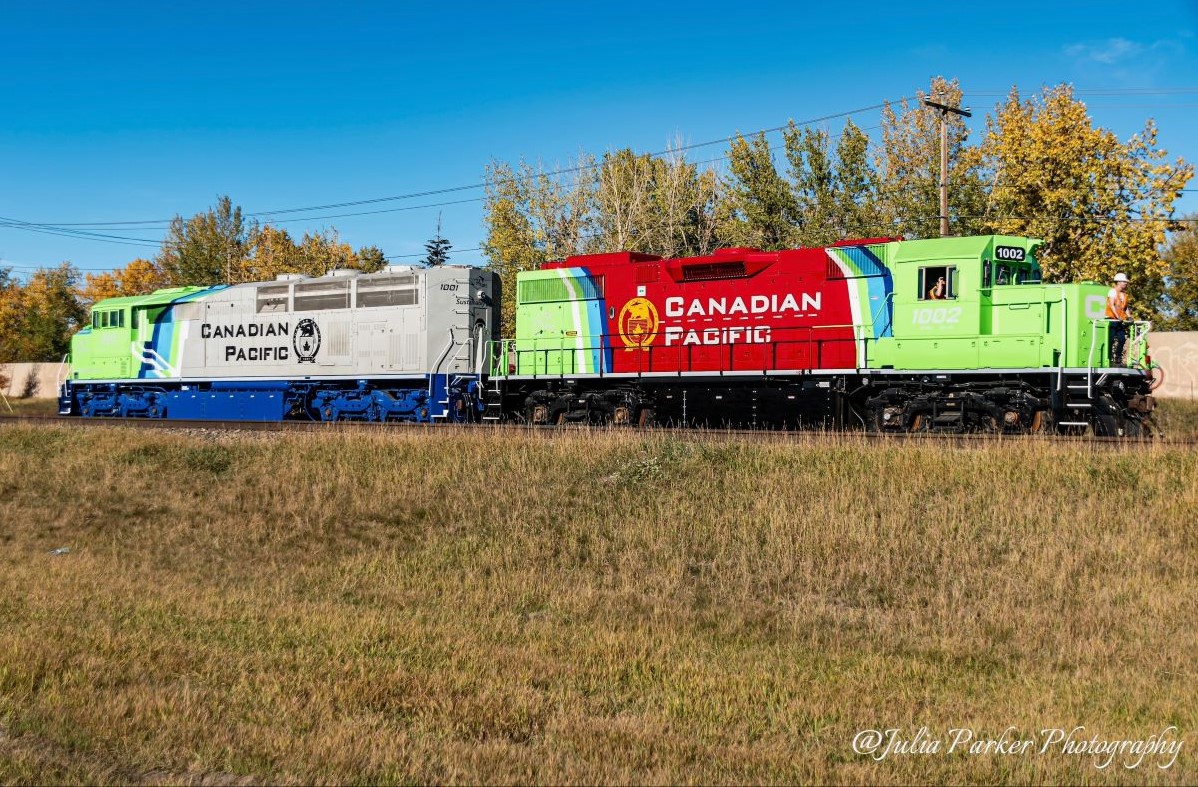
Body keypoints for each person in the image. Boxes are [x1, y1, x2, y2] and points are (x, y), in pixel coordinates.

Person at [1106, 272, 1131, 365]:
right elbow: (1111, 305)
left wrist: (1129, 316)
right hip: (1112, 320)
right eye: (1124, 282)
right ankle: (1107, 357)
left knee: (1122, 338)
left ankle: (1117, 356)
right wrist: (1118, 316)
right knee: (1110, 339)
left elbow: (1125, 307)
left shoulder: (1124, 295)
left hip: (1119, 320)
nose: (1126, 283)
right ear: (1119, 282)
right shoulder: (1112, 291)